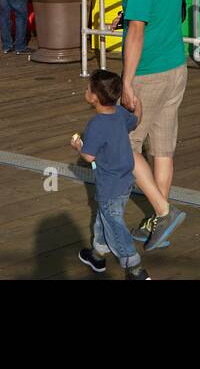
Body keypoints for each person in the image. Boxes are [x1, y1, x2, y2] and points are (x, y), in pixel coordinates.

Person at [121, 0, 188, 251]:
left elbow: (136, 32)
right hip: (177, 67)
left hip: (148, 73)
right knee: (162, 148)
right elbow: (172, 11)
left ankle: (163, 209)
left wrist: (127, 82)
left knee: (124, 143)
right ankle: (160, 225)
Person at [72, 68, 151, 280]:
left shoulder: (96, 124)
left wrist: (78, 145)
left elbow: (88, 157)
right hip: (125, 180)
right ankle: (97, 254)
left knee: (114, 224)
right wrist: (138, 102)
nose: (86, 90)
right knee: (105, 217)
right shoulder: (120, 113)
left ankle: (134, 267)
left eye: (88, 88)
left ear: (94, 98)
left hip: (109, 184)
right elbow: (136, 119)